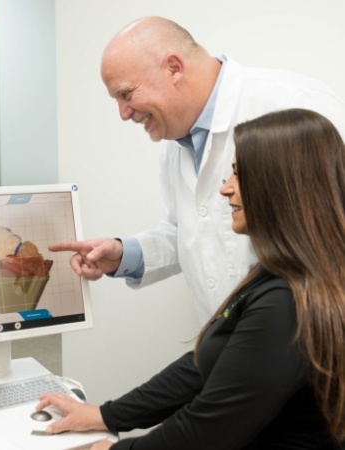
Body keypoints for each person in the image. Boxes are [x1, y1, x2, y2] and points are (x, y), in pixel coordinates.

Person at [36, 109, 345, 449]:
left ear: (279, 186)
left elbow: (210, 429)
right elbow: (204, 365)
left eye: (239, 175)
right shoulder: (282, 273)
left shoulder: (286, 302)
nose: (225, 189)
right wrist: (106, 416)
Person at [48, 16, 345, 326]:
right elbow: (190, 230)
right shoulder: (174, 138)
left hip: (307, 343)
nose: (124, 114)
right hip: (226, 342)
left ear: (174, 68)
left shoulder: (297, 105)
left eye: (126, 94)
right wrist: (124, 254)